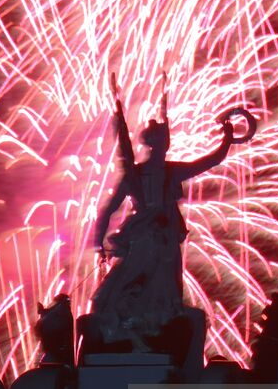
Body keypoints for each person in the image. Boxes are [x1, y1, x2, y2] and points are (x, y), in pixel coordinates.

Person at [87, 87, 254, 350]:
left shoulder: (140, 173)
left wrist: (99, 242)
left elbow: (108, 209)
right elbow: (211, 161)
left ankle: (138, 327)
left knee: (145, 282)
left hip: (147, 236)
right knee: (160, 285)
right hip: (158, 239)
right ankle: (148, 328)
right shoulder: (165, 172)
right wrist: (226, 139)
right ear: (161, 143)